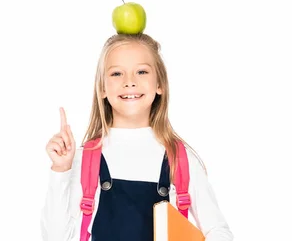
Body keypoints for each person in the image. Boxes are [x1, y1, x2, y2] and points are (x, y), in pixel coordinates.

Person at [40, 33, 233, 241]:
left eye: (141, 71)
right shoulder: (86, 160)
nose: (129, 82)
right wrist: (61, 170)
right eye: (116, 74)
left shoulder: (180, 160)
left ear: (160, 84)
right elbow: (55, 238)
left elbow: (219, 232)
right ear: (102, 88)